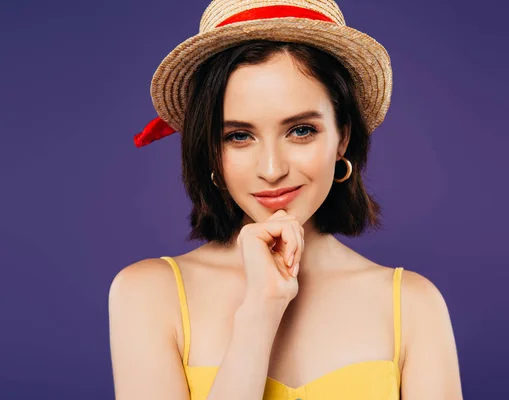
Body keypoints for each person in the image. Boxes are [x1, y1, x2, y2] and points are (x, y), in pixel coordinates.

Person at [108, 0, 463, 399]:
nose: (272, 168)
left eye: (301, 131)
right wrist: (260, 311)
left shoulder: (413, 305)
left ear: (342, 136)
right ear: (210, 150)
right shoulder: (148, 294)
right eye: (238, 136)